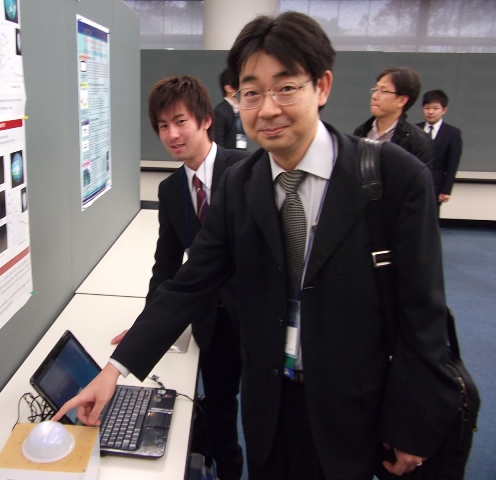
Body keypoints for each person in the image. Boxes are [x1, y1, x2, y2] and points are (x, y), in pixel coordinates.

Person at [54, 12, 458, 480]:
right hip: (269, 400)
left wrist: (411, 423)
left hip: (354, 405)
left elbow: (422, 313)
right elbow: (190, 282)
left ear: (322, 86)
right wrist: (113, 372)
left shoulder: (393, 178)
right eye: (251, 92)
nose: (267, 109)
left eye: (285, 87)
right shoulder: (241, 184)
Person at [113, 75, 248, 479]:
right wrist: (147, 326)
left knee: (266, 410)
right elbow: (166, 266)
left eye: (180, 121)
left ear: (206, 120)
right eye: (162, 125)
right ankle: (228, 470)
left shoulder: (246, 172)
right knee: (221, 407)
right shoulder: (172, 189)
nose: (171, 134)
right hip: (211, 319)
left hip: (256, 316)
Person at [354, 66, 434, 169]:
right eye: (376, 89)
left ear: (402, 100)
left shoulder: (417, 142)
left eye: (383, 91)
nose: (374, 96)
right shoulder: (362, 132)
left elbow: (420, 178)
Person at [416, 89, 463, 209]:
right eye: (427, 108)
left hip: (436, 186)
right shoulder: (414, 130)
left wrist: (446, 190)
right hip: (413, 184)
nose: (430, 112)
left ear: (444, 110)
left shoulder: (452, 133)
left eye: (435, 108)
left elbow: (452, 164)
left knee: (431, 217)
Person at [214, 69, 248, 150]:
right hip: (228, 155)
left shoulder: (241, 109)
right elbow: (218, 141)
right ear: (228, 88)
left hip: (242, 153)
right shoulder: (220, 111)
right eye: (237, 84)